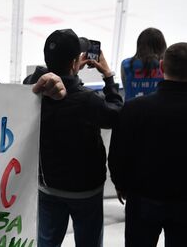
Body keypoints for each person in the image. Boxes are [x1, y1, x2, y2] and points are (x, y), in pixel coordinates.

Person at [23, 29, 123, 247]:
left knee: (46, 242)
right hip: (85, 191)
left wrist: (70, 68)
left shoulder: (31, 87)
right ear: (74, 62)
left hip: (47, 186)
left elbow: (41, 78)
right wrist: (108, 76)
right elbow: (116, 114)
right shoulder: (87, 101)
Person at [109, 42, 187, 247]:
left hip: (143, 199)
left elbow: (119, 151)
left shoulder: (135, 108)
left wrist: (120, 183)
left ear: (161, 68)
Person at [121, 27, 166, 100]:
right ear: (162, 45)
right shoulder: (166, 65)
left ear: (139, 44)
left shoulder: (126, 64)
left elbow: (127, 88)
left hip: (132, 108)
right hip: (159, 108)